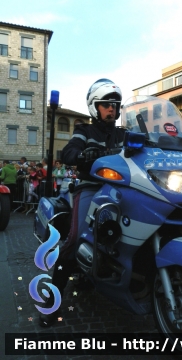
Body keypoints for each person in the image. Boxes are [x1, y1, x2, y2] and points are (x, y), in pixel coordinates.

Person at [39, 78, 126, 327]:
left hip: (121, 189)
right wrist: (82, 154)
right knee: (77, 238)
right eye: (106, 104)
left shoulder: (124, 134)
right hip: (92, 187)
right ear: (94, 107)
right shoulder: (85, 130)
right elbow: (68, 153)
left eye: (115, 104)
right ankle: (51, 301)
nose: (112, 108)